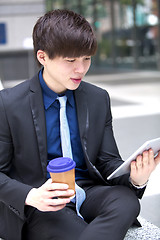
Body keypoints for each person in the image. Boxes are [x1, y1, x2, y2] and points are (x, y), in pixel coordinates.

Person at [0, 9, 159, 240]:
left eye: (86, 59)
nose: (81, 69)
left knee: (126, 201)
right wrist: (30, 195)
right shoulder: (9, 103)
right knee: (66, 226)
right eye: (71, 60)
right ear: (42, 57)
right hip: (44, 200)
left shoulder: (97, 98)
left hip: (87, 191)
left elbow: (106, 161)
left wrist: (136, 178)